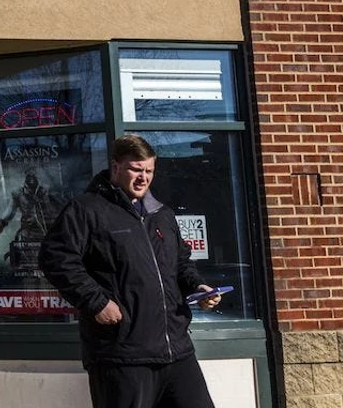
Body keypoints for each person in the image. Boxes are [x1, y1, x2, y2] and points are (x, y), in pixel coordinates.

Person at [38, 134, 223, 408]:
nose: (143, 178)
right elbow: (55, 258)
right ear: (115, 167)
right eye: (136, 169)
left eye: (149, 171)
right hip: (122, 354)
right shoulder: (87, 209)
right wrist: (96, 302)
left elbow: (181, 262)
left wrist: (198, 287)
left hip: (176, 350)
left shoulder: (162, 214)